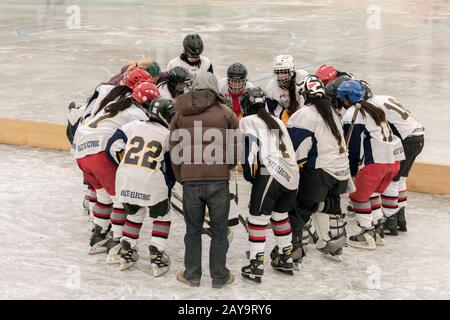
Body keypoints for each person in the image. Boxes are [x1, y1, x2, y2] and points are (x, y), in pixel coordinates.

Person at [169, 71, 239, 289]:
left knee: (193, 230)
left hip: (190, 182)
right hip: (218, 182)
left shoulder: (180, 114)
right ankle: (219, 276)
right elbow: (236, 152)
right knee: (219, 230)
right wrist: (223, 170)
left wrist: (182, 177)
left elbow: (174, 151)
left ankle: (192, 275)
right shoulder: (227, 114)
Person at [74, 80, 160, 255]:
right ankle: (116, 240)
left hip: (81, 152)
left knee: (104, 195)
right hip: (99, 153)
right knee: (121, 199)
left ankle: (98, 235)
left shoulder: (116, 103)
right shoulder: (138, 115)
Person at [105, 97, 176, 275]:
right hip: (151, 179)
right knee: (162, 216)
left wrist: (127, 166)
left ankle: (127, 250)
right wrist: (168, 186)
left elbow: (111, 146)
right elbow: (170, 166)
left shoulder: (132, 126)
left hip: (125, 178)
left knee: (134, 214)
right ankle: (157, 255)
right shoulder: (167, 135)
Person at [286, 75, 350, 264]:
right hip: (341, 172)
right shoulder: (332, 112)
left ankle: (295, 249)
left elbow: (294, 150)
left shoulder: (304, 114)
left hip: (320, 172)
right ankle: (335, 245)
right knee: (331, 205)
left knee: (298, 209)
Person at [239, 87, 299, 283]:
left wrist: (251, 177)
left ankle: (256, 264)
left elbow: (250, 150)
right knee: (280, 217)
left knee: (257, 219)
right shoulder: (278, 121)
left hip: (270, 172)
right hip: (292, 175)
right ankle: (285, 256)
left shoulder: (248, 121)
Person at [338, 80, 404, 250]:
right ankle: (377, 229)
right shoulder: (375, 110)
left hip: (375, 163)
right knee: (372, 194)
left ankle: (367, 232)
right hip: (392, 162)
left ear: (346, 98)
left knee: (357, 197)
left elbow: (352, 145)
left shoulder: (353, 113)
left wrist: (351, 169)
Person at [360, 80, 425, 235]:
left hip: (406, 139)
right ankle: (400, 219)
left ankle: (391, 220)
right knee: (401, 179)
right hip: (418, 135)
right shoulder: (383, 98)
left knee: (392, 180)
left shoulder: (370, 106)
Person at [266, 54, 308, 124]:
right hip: (284, 119)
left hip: (304, 114)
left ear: (292, 71)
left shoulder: (303, 77)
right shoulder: (271, 88)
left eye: (284, 72)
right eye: (277, 72)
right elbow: (273, 115)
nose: (280, 76)